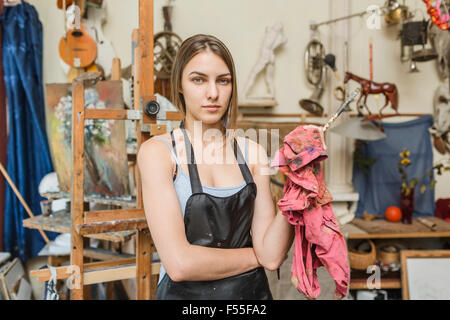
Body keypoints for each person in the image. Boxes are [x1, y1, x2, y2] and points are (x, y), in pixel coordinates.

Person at [137, 34, 294, 300]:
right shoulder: (159, 153)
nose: (213, 93)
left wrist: (297, 191)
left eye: (223, 80)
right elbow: (180, 264)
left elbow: (273, 254)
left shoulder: (252, 153)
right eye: (198, 79)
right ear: (180, 86)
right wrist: (257, 255)